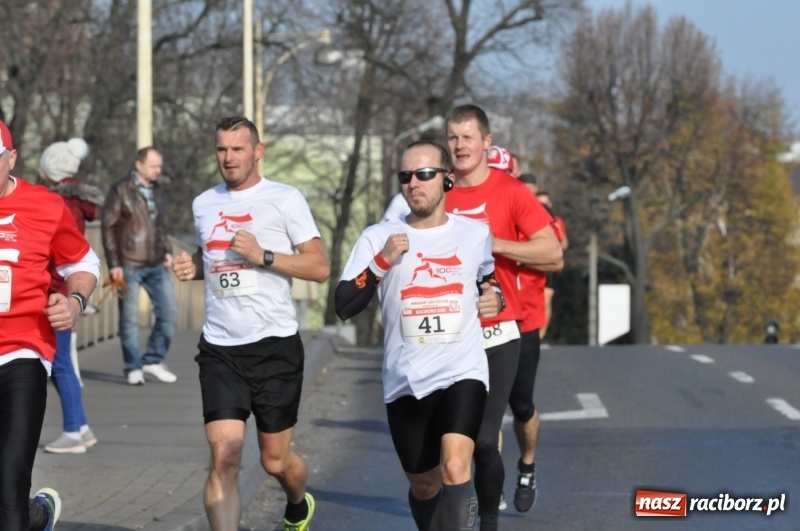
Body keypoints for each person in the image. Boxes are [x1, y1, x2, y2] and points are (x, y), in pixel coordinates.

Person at [336, 140, 504, 531]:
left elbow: (487, 279)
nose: (414, 183)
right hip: (405, 378)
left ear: (446, 180)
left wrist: (494, 297)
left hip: (461, 369)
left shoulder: (474, 234)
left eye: (425, 174)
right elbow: (344, 304)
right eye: (406, 176)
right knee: (424, 484)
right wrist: (381, 262)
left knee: (456, 464)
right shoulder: (379, 237)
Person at [172, 116, 330, 531]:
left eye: (238, 149)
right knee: (224, 455)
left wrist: (265, 256)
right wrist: (194, 267)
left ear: (257, 152)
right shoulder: (204, 203)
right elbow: (216, 259)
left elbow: (319, 267)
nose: (228, 157)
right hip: (221, 348)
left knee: (274, 460)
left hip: (274, 346)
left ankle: (298, 503)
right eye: (222, 149)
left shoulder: (284, 199)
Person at [444, 106, 563, 530]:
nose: (459, 146)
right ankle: (472, 507)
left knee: (512, 411)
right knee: (467, 439)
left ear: (485, 143)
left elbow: (553, 254)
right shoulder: (437, 189)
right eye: (453, 138)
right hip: (451, 331)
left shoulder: (510, 191)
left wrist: (493, 243)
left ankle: (520, 473)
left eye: (467, 137)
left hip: (505, 325)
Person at [0, 120, 100, 530]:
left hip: (22, 352)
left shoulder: (44, 206)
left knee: (8, 489)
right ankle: (38, 515)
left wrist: (74, 302)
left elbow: (82, 262)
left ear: (10, 159)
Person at [38, 137, 104, 454]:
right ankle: (83, 427)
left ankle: (72, 432)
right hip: (66, 289)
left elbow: (61, 254)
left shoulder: (55, 204)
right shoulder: (78, 203)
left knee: (61, 363)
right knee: (66, 362)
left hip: (56, 291)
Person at [101, 146, 177, 385]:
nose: (158, 170)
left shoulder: (157, 189)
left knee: (169, 313)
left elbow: (161, 225)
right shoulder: (121, 189)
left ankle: (153, 360)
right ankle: (133, 366)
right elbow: (108, 227)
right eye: (154, 166)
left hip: (157, 262)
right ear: (139, 165)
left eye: (160, 166)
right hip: (129, 263)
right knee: (129, 319)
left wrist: (167, 250)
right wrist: (114, 264)